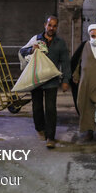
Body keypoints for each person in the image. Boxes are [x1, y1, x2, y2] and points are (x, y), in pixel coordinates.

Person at [19, 16, 71, 149]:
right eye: (49, 25)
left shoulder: (60, 43)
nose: (51, 28)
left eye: (54, 26)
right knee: (36, 108)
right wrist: (32, 49)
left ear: (57, 27)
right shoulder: (35, 39)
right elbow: (22, 51)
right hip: (36, 79)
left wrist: (66, 80)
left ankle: (51, 137)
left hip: (52, 81)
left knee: (50, 109)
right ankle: (40, 128)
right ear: (45, 25)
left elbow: (65, 62)